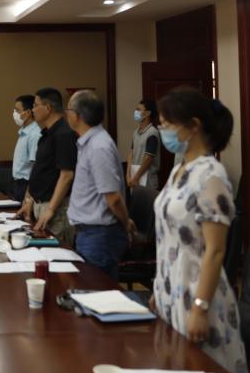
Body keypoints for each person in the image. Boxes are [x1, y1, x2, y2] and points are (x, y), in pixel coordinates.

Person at [149, 88, 248, 373]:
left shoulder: (211, 175)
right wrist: (159, 286)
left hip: (197, 294)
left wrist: (200, 307)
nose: (163, 131)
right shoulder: (179, 170)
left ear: (193, 125)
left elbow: (215, 250)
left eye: (167, 124)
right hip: (170, 287)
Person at [65, 90, 134, 278]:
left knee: (96, 290)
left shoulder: (98, 146)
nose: (66, 114)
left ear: (77, 116)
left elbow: (113, 198)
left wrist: (126, 223)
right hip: (90, 234)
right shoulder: (89, 142)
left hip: (99, 237)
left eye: (68, 110)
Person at [17, 88, 77, 245]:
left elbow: (67, 175)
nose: (33, 110)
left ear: (48, 107)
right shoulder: (46, 134)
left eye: (35, 105)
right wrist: (30, 200)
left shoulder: (63, 134)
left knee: (58, 255)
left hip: (56, 209)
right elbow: (41, 171)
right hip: (41, 205)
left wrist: (50, 209)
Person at [10, 94, 40, 203]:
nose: (14, 114)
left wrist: (29, 196)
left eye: (17, 110)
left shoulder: (35, 134)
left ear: (27, 113)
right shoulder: (24, 131)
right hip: (18, 183)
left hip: (27, 185)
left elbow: (36, 166)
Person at [126, 98, 161, 191]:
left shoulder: (152, 133)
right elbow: (131, 154)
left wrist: (136, 177)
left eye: (138, 110)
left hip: (147, 180)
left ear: (147, 113)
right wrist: (128, 175)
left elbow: (148, 159)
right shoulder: (135, 132)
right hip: (134, 179)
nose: (136, 112)